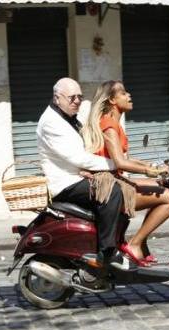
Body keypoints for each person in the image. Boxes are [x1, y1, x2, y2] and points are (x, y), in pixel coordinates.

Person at [36, 77, 132, 270]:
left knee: (121, 188)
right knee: (112, 191)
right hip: (65, 185)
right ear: (57, 98)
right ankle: (107, 252)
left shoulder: (69, 117)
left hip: (75, 176)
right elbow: (78, 157)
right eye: (72, 97)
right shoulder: (51, 122)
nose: (77, 101)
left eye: (80, 97)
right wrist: (115, 163)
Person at [80, 80, 169, 267]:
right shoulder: (109, 124)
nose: (129, 95)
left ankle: (142, 242)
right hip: (109, 185)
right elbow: (120, 162)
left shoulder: (113, 122)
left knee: (161, 186)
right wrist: (148, 170)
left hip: (114, 178)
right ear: (112, 100)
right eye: (124, 93)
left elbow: (123, 159)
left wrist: (150, 165)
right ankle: (135, 244)